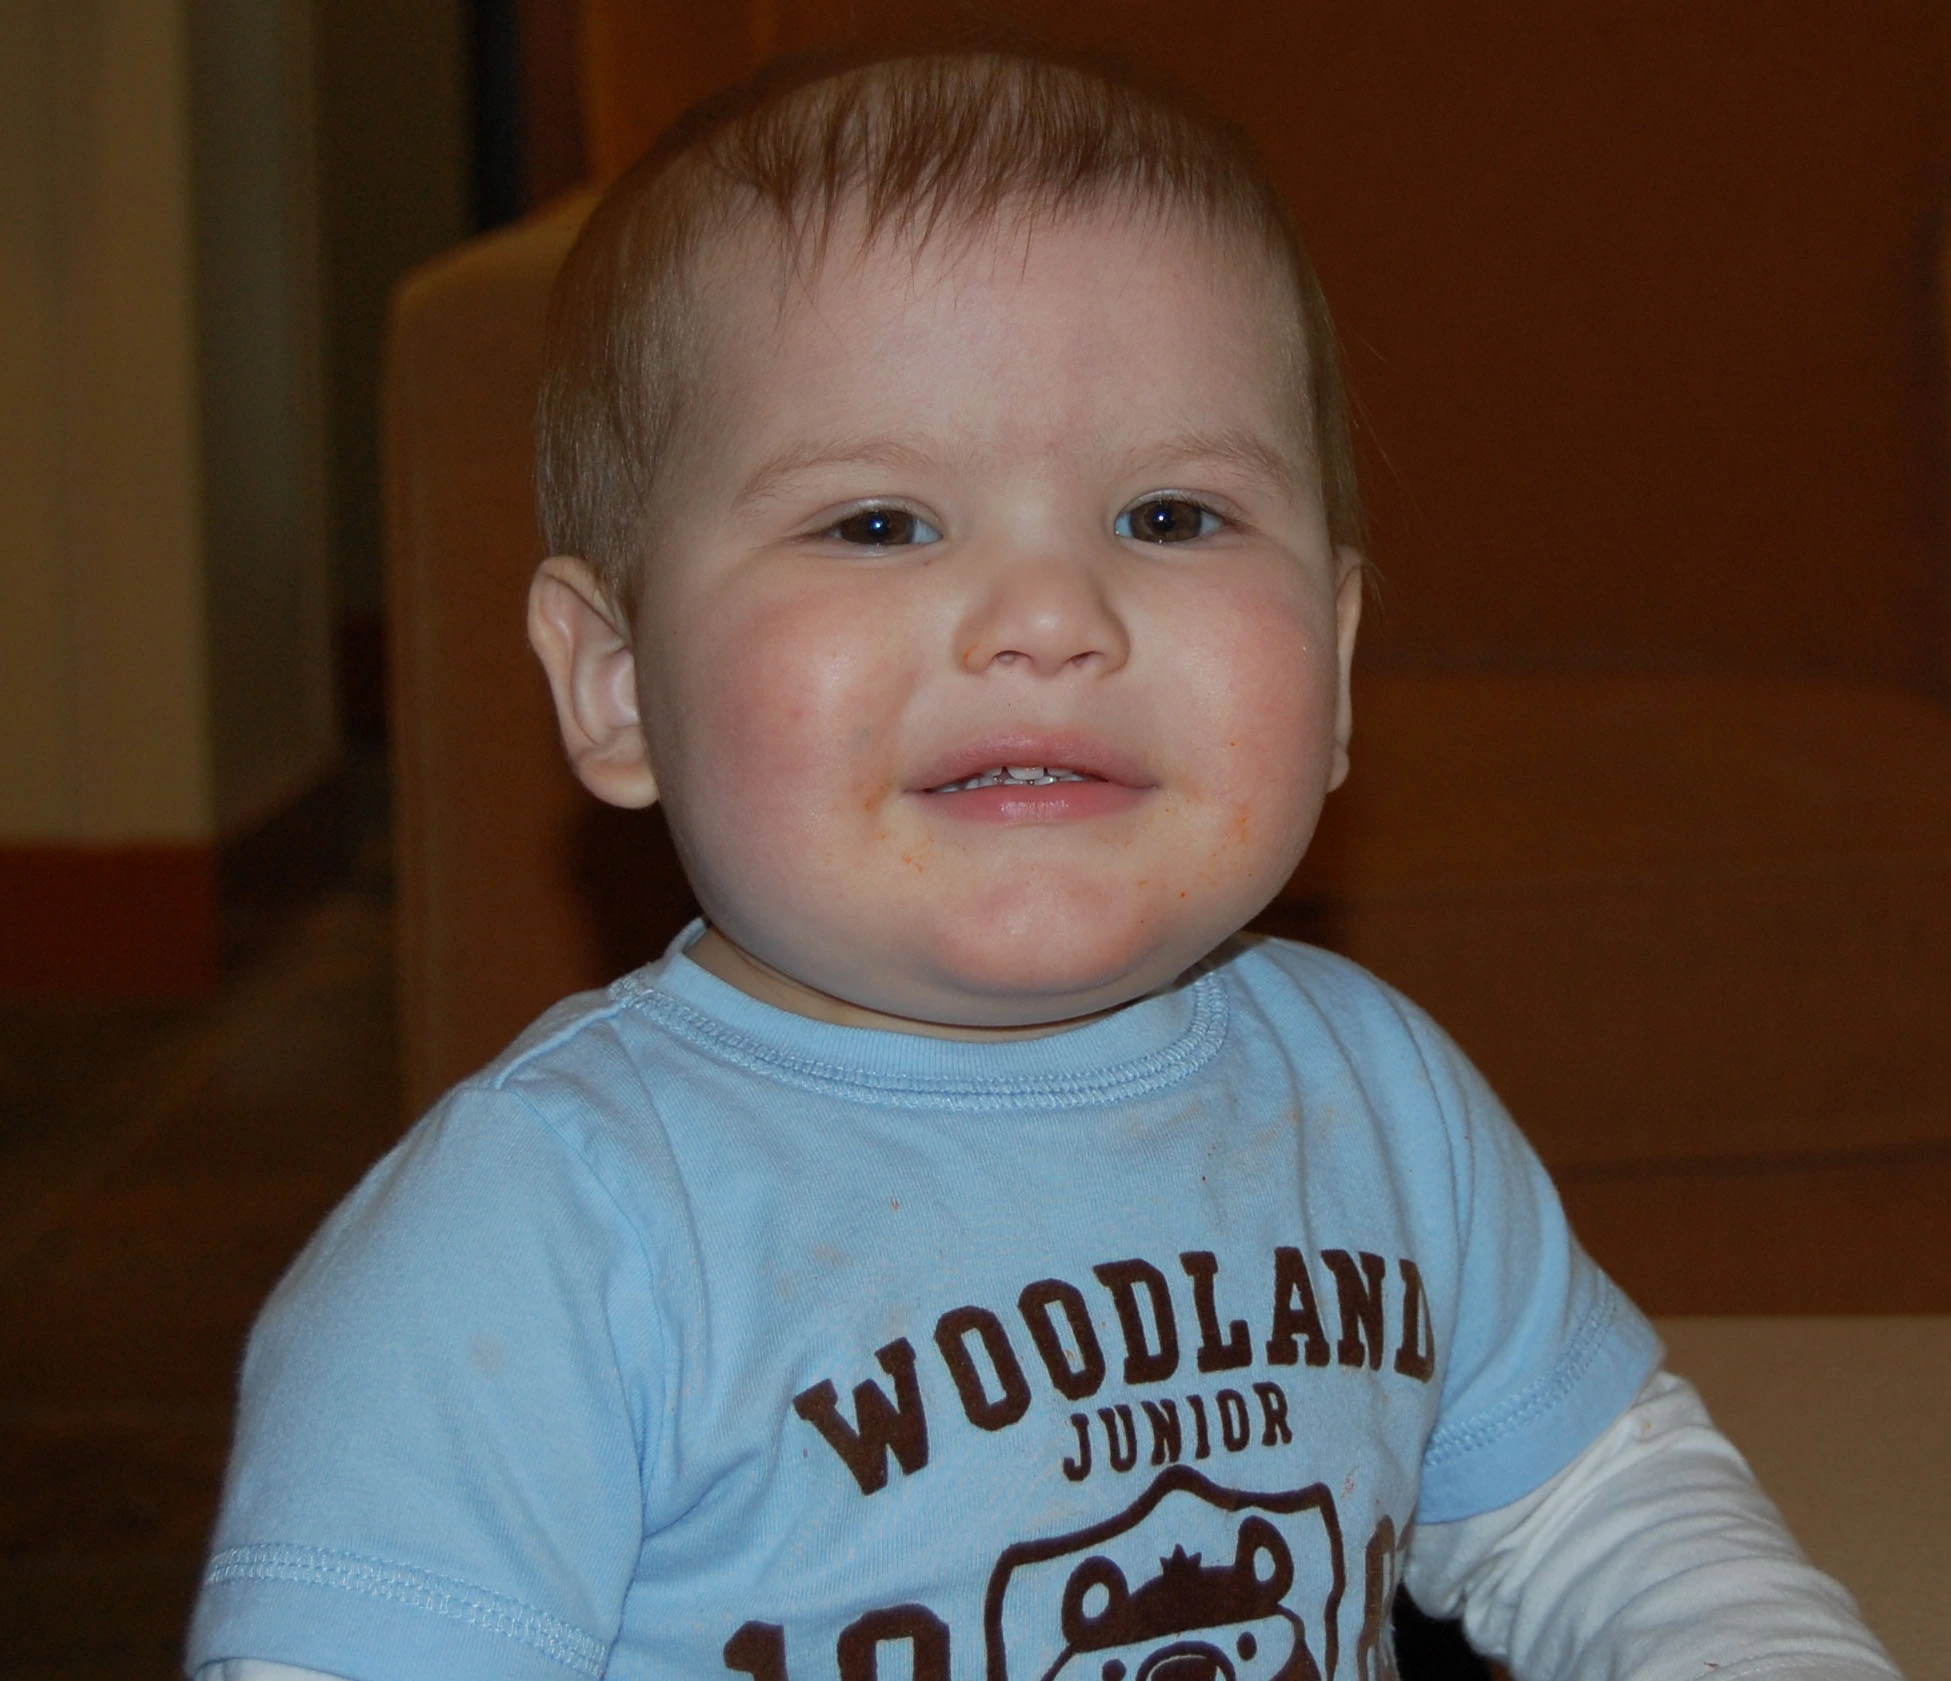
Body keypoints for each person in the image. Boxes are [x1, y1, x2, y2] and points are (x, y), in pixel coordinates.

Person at [187, 50, 1900, 1681]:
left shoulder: (1375, 1100)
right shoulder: (541, 1231)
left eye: (1169, 516)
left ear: (1332, 665)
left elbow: (1602, 1509)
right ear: (619, 686)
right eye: (878, 523)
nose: (1050, 615)